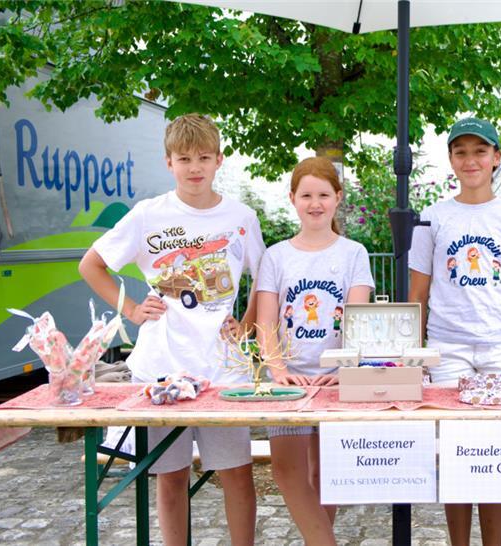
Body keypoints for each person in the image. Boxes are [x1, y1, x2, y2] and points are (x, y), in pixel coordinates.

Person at [79, 113, 263, 546]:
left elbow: (266, 277)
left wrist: (249, 323)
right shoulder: (148, 215)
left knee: (237, 474)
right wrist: (130, 308)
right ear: (168, 163)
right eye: (184, 158)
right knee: (170, 475)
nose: (194, 167)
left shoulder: (241, 216)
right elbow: (92, 264)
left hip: (225, 370)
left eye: (203, 157)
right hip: (160, 369)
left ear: (219, 160)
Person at [409, 117, 501, 546]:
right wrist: (415, 356)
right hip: (448, 347)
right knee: (461, 452)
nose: (471, 160)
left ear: (496, 158)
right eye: (460, 151)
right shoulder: (432, 217)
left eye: (480, 151)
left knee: (495, 454)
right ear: (450, 159)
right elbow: (418, 292)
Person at [256, 156, 374, 546]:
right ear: (292, 199)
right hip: (290, 382)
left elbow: (357, 320)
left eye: (324, 194)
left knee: (328, 473)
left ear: (338, 198)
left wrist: (344, 369)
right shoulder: (275, 255)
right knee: (288, 473)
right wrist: (276, 369)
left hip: (335, 381)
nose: (315, 203)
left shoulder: (354, 253)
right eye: (306, 195)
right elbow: (266, 322)